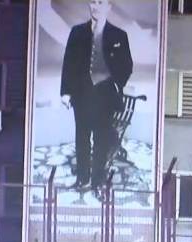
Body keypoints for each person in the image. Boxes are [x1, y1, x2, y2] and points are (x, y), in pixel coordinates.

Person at [60, 0, 133, 190]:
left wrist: (117, 83)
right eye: (92, 2)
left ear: (108, 7)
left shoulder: (119, 35)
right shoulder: (77, 33)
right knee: (82, 138)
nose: (95, 6)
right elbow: (68, 62)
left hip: (105, 95)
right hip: (82, 94)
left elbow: (127, 65)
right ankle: (82, 179)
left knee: (101, 139)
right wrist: (65, 92)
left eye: (100, 2)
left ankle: (97, 181)